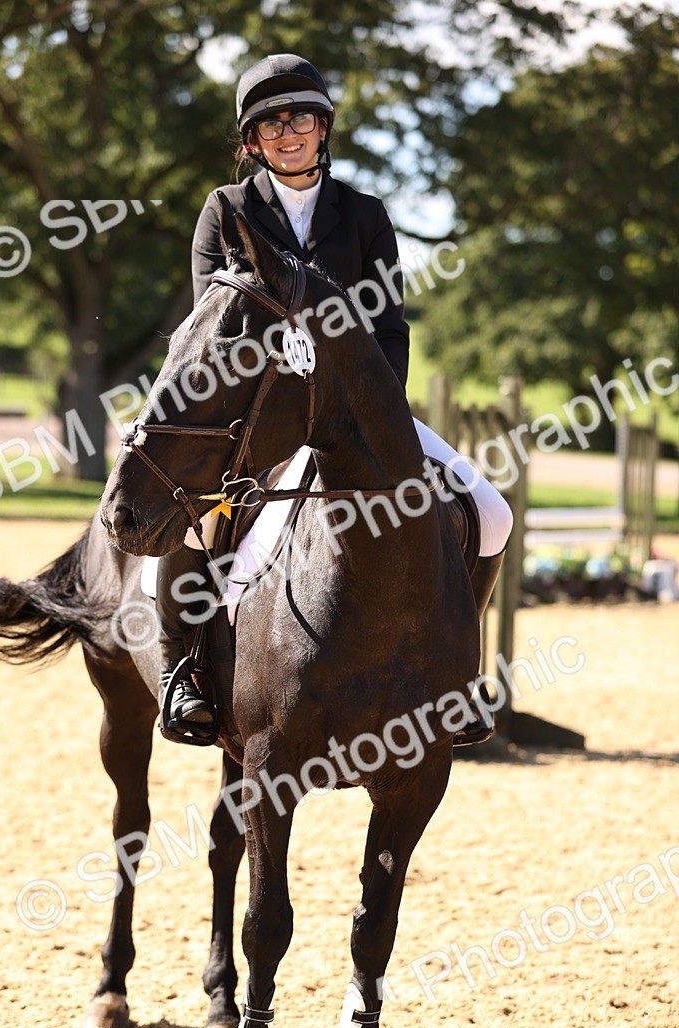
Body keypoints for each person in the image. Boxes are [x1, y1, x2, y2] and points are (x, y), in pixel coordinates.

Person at [156, 54, 512, 744]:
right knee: (194, 517)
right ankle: (186, 672)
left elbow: (389, 327)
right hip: (255, 414)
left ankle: (457, 675)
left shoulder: (366, 215)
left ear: (324, 130)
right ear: (252, 140)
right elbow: (211, 325)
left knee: (491, 514)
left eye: (301, 119)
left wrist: (372, 411)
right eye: (272, 124)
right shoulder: (225, 211)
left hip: (357, 415)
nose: (288, 133)